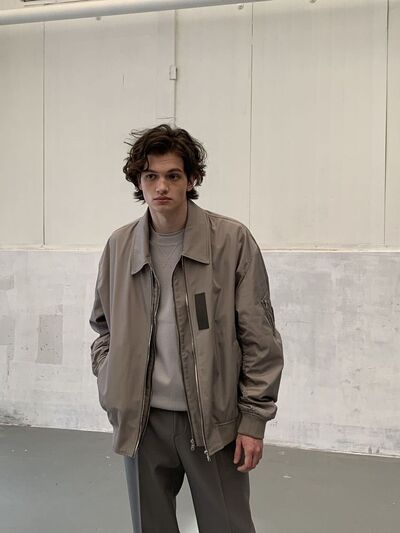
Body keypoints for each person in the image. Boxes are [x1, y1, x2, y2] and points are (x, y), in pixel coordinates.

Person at [89, 124, 284, 533]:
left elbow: (259, 338)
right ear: (138, 182)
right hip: (142, 424)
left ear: (191, 179)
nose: (161, 186)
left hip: (215, 423)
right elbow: (103, 328)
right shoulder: (119, 246)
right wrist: (111, 383)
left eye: (173, 175)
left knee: (228, 526)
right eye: (151, 176)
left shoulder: (231, 241)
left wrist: (253, 421)